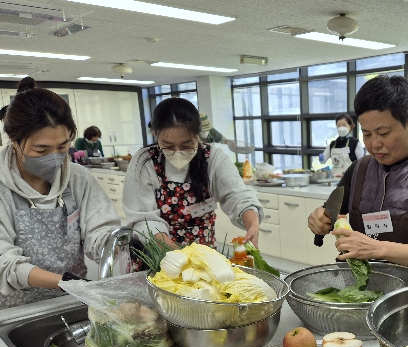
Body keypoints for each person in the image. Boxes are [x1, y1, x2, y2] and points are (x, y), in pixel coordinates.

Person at [308, 75, 408, 280]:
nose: (374, 144)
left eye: (384, 133)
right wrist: (319, 220)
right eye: (367, 134)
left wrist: (377, 249)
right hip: (359, 289)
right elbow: (329, 214)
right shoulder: (359, 169)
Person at [0, 77, 120, 309]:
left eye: (63, 147)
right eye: (41, 150)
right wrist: (66, 282)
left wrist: (113, 243)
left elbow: (98, 229)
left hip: (72, 300)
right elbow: (4, 262)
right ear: (15, 141)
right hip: (15, 309)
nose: (54, 157)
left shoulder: (77, 178)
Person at [122, 98, 263, 249]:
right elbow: (145, 220)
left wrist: (252, 224)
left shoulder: (213, 159)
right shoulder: (144, 162)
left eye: (186, 146)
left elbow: (237, 195)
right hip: (157, 253)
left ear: (197, 135)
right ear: (156, 134)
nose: (177, 153)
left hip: (203, 255)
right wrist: (179, 255)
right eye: (168, 146)